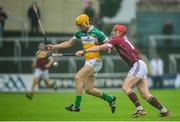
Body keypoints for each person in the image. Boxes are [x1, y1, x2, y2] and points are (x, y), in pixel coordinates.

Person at [76, 24, 170, 117]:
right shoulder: (121, 39)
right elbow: (108, 46)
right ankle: (164, 111)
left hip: (137, 65)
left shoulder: (117, 39)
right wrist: (102, 45)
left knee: (126, 87)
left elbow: (102, 47)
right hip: (140, 65)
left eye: (114, 30)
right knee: (145, 94)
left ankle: (140, 109)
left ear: (118, 32)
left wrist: (84, 51)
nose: (113, 32)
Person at [47, 14, 116, 113]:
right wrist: (54, 46)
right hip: (88, 62)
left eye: (81, 25)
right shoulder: (79, 33)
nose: (80, 27)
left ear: (87, 23)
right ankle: (110, 99)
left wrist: (104, 46)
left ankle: (77, 106)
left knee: (78, 77)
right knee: (89, 90)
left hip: (95, 61)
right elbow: (68, 43)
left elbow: (110, 44)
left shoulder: (97, 33)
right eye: (79, 26)